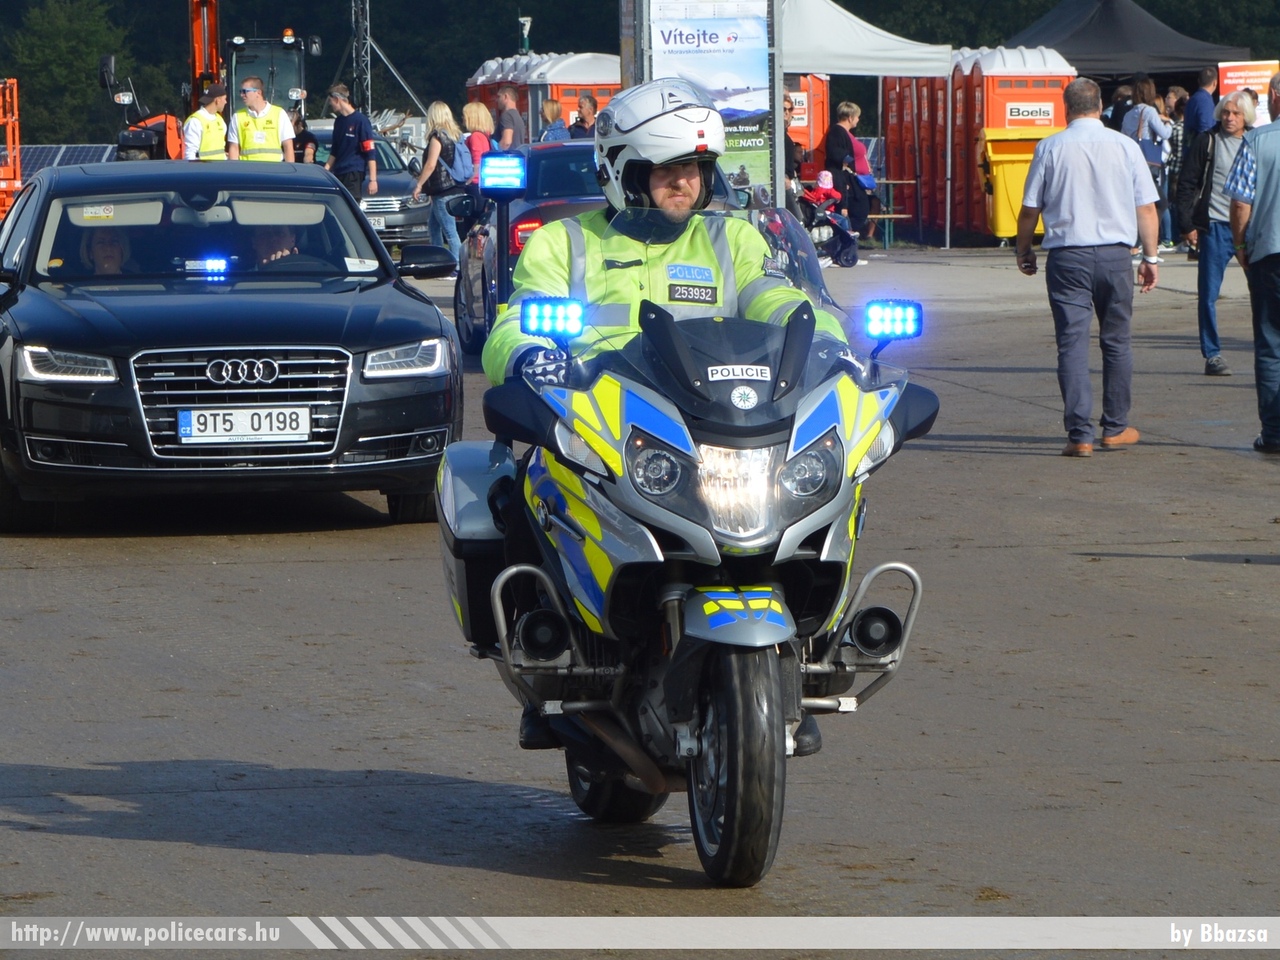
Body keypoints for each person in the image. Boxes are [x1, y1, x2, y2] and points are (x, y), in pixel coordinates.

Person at [481, 78, 846, 755]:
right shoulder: (566, 245)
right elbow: (514, 322)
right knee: (524, 491)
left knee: (817, 491)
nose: (684, 184)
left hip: (711, 429)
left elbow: (776, 296)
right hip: (603, 426)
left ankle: (800, 655)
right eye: (667, 170)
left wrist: (825, 339)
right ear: (624, 172)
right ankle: (546, 656)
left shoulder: (730, 241)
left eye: (696, 169)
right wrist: (530, 357)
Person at [1015, 77, 1160, 458]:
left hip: (1067, 257)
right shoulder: (1126, 147)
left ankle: (1079, 434)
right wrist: (1150, 257)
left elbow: (1031, 208)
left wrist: (1023, 248)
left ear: (1067, 108)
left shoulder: (1049, 148)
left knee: (1072, 345)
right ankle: (1115, 427)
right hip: (1115, 256)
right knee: (1116, 341)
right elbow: (1146, 208)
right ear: (1099, 107)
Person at [1176, 92, 1254, 377]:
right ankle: (1213, 354)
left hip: (1250, 228)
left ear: (1247, 117)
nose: (1229, 118)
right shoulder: (1207, 142)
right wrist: (1187, 225)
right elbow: (1186, 183)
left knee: (1263, 291)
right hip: (1215, 227)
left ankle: (1270, 344)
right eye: (1225, 112)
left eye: (1235, 113)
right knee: (1208, 294)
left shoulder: (1254, 142)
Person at [1226, 73, 1280, 454]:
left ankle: (1275, 433)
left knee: (1271, 343)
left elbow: (1241, 203)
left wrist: (1241, 244)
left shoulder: (1257, 141)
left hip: (1270, 254)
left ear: (1276, 97)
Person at [409, 101, 465, 266]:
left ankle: (457, 265)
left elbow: (431, 164)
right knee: (433, 226)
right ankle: (437, 261)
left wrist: (419, 184)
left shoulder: (437, 137)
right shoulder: (454, 135)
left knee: (449, 231)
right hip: (454, 187)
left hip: (442, 189)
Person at [1122, 77, 1173, 253]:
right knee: (1160, 203)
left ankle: (1135, 243)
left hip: (1130, 162)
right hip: (1147, 163)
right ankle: (1145, 241)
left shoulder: (1128, 114)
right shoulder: (1150, 111)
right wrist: (1167, 121)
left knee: (1136, 203)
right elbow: (1165, 134)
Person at [322, 84, 377, 199]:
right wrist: (325, 171)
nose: (330, 104)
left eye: (331, 101)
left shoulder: (361, 121)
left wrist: (373, 180)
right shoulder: (339, 122)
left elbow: (370, 152)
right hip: (338, 172)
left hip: (353, 173)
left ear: (337, 100)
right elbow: (335, 151)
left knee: (351, 206)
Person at [824, 101, 872, 232]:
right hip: (844, 178)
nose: (858, 119)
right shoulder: (837, 132)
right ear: (850, 117)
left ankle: (848, 235)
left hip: (851, 178)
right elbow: (835, 152)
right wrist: (848, 160)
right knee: (858, 209)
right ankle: (845, 236)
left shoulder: (845, 133)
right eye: (857, 116)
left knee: (861, 207)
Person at [227, 77, 294, 162]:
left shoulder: (279, 114)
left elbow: (288, 146)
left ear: (258, 92)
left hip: (274, 170)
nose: (242, 95)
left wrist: (289, 171)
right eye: (241, 92)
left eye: (245, 91)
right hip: (248, 171)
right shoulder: (237, 117)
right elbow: (234, 148)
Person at [182, 83, 227, 161]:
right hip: (204, 171)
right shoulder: (195, 121)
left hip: (220, 170)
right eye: (225, 99)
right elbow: (190, 154)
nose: (226, 102)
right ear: (217, 100)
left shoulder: (220, 120)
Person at [1183, 67, 1219, 150]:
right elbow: (1206, 129)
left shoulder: (1193, 98)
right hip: (1199, 152)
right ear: (1215, 83)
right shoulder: (1205, 100)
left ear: (1199, 81)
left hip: (1189, 149)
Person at [782, 93, 803, 220]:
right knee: (795, 219)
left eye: (789, 109)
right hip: (782, 182)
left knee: (795, 219)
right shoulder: (775, 131)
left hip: (788, 180)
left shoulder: (784, 131)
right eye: (784, 109)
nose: (787, 112)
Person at [494, 85, 525, 150]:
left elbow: (506, 142)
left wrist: (496, 152)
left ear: (505, 96)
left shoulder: (506, 115)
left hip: (507, 158)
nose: (496, 100)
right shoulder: (517, 115)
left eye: (499, 96)